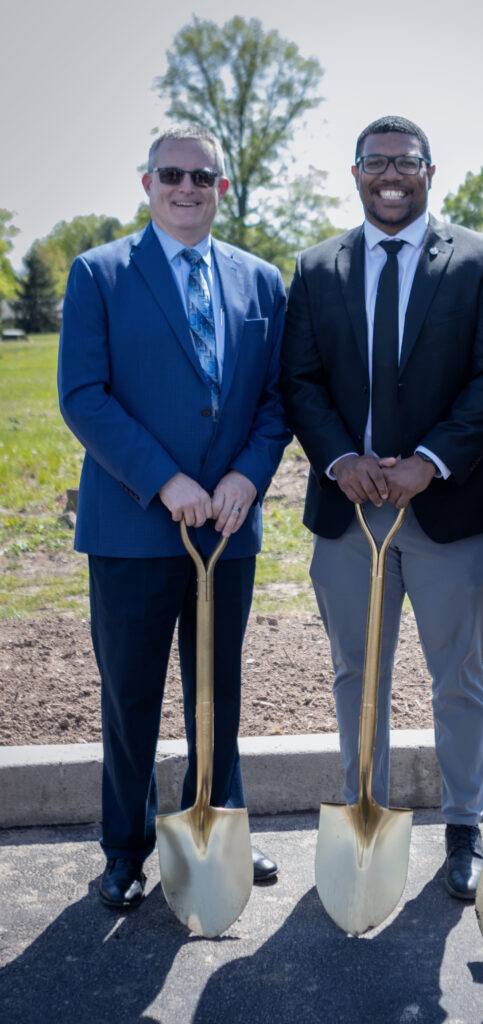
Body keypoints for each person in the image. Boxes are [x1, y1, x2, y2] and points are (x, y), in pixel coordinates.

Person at [281, 115, 483, 899]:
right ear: (355, 172)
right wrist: (339, 458)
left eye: (406, 162)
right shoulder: (317, 268)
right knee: (357, 676)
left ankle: (463, 828)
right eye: (376, 162)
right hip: (349, 512)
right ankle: (366, 817)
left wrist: (429, 461)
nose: (391, 174)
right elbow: (301, 381)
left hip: (448, 509)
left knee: (459, 677)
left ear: (430, 169)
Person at [58, 124, 291, 909]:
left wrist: (245, 478)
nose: (187, 187)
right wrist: (165, 482)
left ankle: (217, 831)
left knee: (216, 692)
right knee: (129, 697)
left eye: (203, 177)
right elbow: (83, 395)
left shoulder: (261, 281)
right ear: (146, 182)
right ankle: (124, 849)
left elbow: (276, 399)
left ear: (222, 187)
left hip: (227, 524)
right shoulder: (99, 273)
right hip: (132, 526)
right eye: (171, 175)